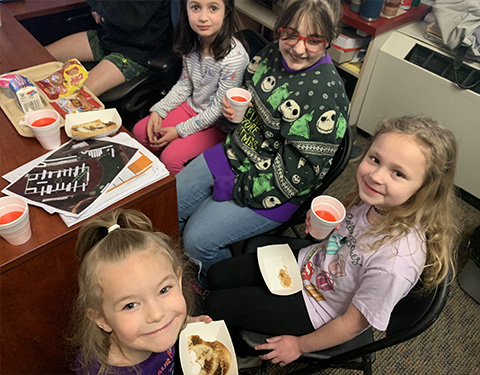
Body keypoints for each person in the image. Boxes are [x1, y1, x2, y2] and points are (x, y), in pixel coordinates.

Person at [204, 115, 459, 366]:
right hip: (308, 265)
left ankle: (245, 353)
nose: (376, 176)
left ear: (424, 189)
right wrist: (320, 233)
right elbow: (342, 241)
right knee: (216, 276)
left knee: (215, 304)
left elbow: (352, 324)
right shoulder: (373, 201)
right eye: (375, 159)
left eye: (398, 174)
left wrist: (299, 345)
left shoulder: (395, 263)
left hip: (319, 309)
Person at [176, 0, 350, 289]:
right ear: (278, 29)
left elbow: (296, 176)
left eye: (314, 40)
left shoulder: (325, 96)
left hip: (276, 187)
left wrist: (235, 188)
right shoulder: (270, 53)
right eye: (289, 34)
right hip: (235, 153)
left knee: (197, 241)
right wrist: (232, 116)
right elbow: (248, 100)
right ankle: (188, 264)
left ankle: (218, 286)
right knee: (169, 204)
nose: (298, 48)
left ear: (329, 41)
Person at [70, 209, 211, 375]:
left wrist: (187, 324)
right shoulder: (101, 371)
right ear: (101, 319)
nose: (157, 314)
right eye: (130, 305)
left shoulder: (158, 328)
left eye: (164, 290)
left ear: (178, 280)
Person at [132, 0, 249, 174]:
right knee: (141, 132)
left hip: (218, 124)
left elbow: (218, 109)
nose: (203, 17)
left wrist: (179, 131)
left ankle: (173, 194)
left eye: (213, 8)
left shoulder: (234, 58)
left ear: (226, 11)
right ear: (185, 10)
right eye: (195, 8)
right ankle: (154, 180)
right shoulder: (195, 41)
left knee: (171, 158)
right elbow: (185, 84)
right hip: (193, 107)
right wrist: (159, 110)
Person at [46, 0, 173, 96]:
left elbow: (131, 21)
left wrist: (101, 8)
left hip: (137, 51)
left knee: (74, 97)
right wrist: (95, 10)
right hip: (109, 36)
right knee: (41, 58)